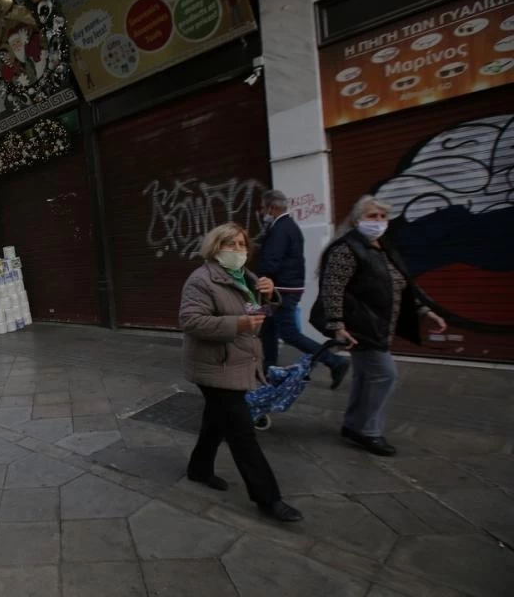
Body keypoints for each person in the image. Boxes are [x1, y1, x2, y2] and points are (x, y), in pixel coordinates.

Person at [179, 222, 302, 522]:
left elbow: (261, 312)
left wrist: (271, 295)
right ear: (215, 247)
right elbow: (191, 321)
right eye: (229, 244)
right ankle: (268, 499)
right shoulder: (201, 280)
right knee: (241, 432)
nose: (237, 250)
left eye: (241, 244)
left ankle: (199, 469)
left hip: (236, 360)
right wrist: (237, 324)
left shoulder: (245, 276)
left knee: (215, 420)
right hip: (216, 365)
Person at [312, 195, 447, 457]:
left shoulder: (382, 247)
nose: (378, 222)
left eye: (382, 217)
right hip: (360, 325)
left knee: (367, 376)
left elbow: (401, 284)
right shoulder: (347, 248)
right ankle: (369, 431)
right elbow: (332, 289)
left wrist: (425, 311)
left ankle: (354, 426)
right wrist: (337, 324)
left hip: (378, 324)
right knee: (385, 374)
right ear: (356, 219)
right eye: (371, 216)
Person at [257, 191, 350, 388]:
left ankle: (334, 361)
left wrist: (260, 280)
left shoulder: (281, 229)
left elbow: (271, 261)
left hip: (281, 291)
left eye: (263, 208)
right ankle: (269, 368)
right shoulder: (287, 227)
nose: (261, 212)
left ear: (271, 209)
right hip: (284, 289)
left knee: (289, 333)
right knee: (268, 329)